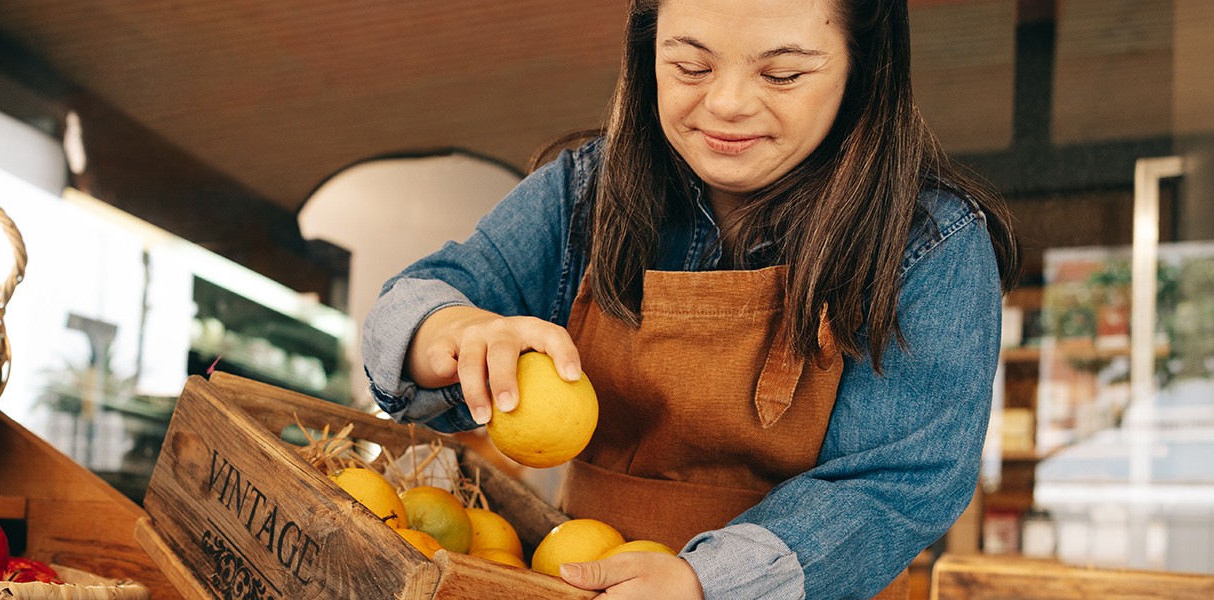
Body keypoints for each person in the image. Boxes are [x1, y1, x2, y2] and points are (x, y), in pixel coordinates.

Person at [361, 0, 1019, 598]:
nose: (727, 103)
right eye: (690, 65)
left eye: (783, 75)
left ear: (863, 69)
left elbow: (895, 486)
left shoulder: (931, 245)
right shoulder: (587, 195)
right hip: (579, 582)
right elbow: (412, 303)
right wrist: (452, 330)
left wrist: (706, 581)